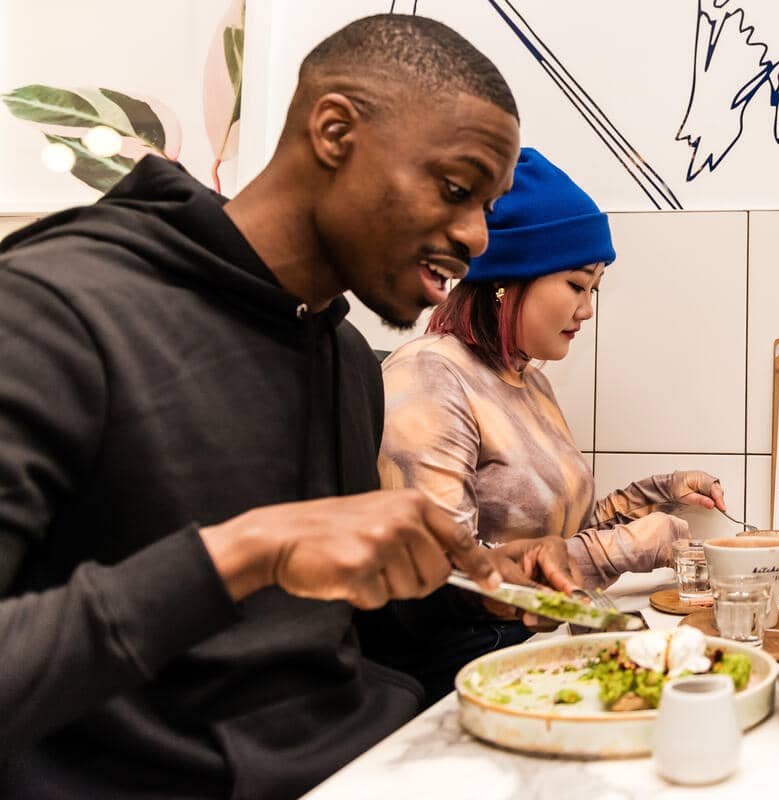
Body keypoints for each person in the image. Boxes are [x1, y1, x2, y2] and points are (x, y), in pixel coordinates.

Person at [0, 15, 534, 799]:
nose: (478, 236)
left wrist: (484, 592)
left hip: (372, 763)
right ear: (334, 130)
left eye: (487, 204)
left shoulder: (345, 356)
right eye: (457, 189)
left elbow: (329, 635)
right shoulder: (51, 310)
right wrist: (245, 551)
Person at [374, 146, 726, 698]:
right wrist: (622, 549)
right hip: (464, 675)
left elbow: (557, 536)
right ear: (507, 278)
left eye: (594, 290)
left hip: (537, 651)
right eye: (576, 285)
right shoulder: (427, 376)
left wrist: (657, 495)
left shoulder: (527, 380)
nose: (587, 310)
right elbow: (448, 574)